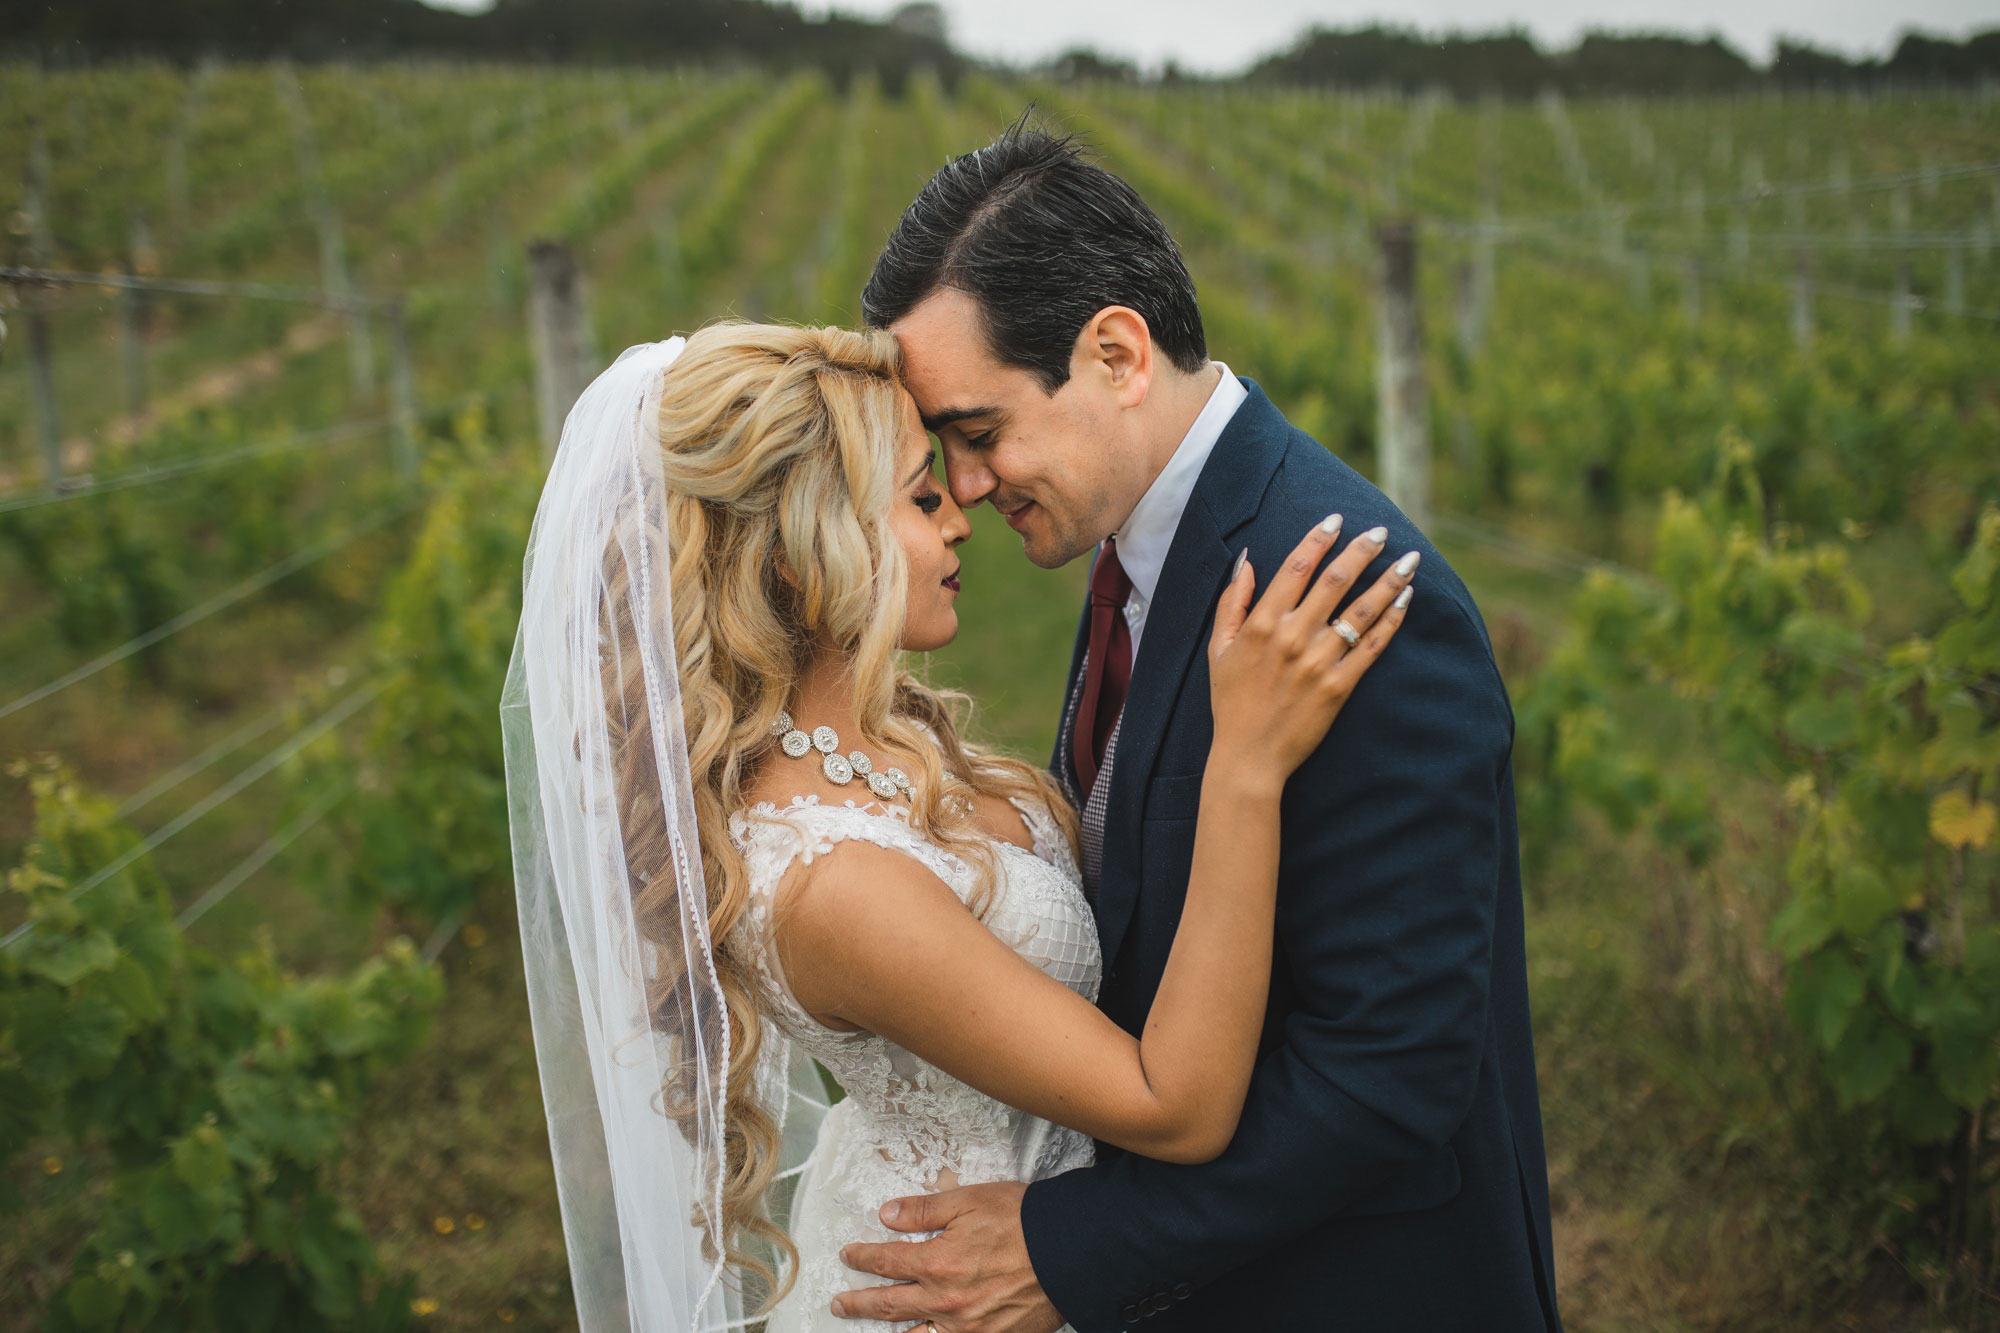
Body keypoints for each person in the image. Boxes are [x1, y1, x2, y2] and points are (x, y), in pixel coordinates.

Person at [502, 323, 1413, 1333]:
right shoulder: (830, 883)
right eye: (920, 496)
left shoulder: (896, 737)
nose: (961, 519)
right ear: (807, 552)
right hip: (950, 1293)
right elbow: (1173, 1105)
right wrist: (1244, 762)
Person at [826, 126, 1564, 1332]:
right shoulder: (1141, 543)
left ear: (1114, 352)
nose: (962, 486)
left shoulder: (1344, 593)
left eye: (978, 431)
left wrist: (1075, 1248)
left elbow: (1388, 1073)